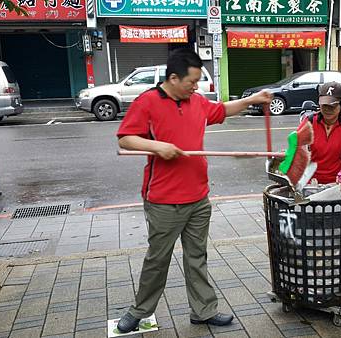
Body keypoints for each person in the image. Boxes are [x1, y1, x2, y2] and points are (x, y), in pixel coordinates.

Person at [115, 49, 272, 332]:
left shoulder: (196, 102)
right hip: (164, 200)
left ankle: (203, 310)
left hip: (199, 197)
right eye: (192, 81)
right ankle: (139, 311)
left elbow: (222, 110)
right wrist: (157, 146)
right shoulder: (147, 102)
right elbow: (126, 139)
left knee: (197, 257)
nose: (196, 87)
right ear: (173, 78)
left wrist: (252, 100)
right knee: (158, 259)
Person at [299, 81, 341, 186]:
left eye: (332, 106)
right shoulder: (309, 122)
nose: (327, 109)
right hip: (310, 183)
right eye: (324, 105)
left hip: (337, 184)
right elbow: (296, 146)